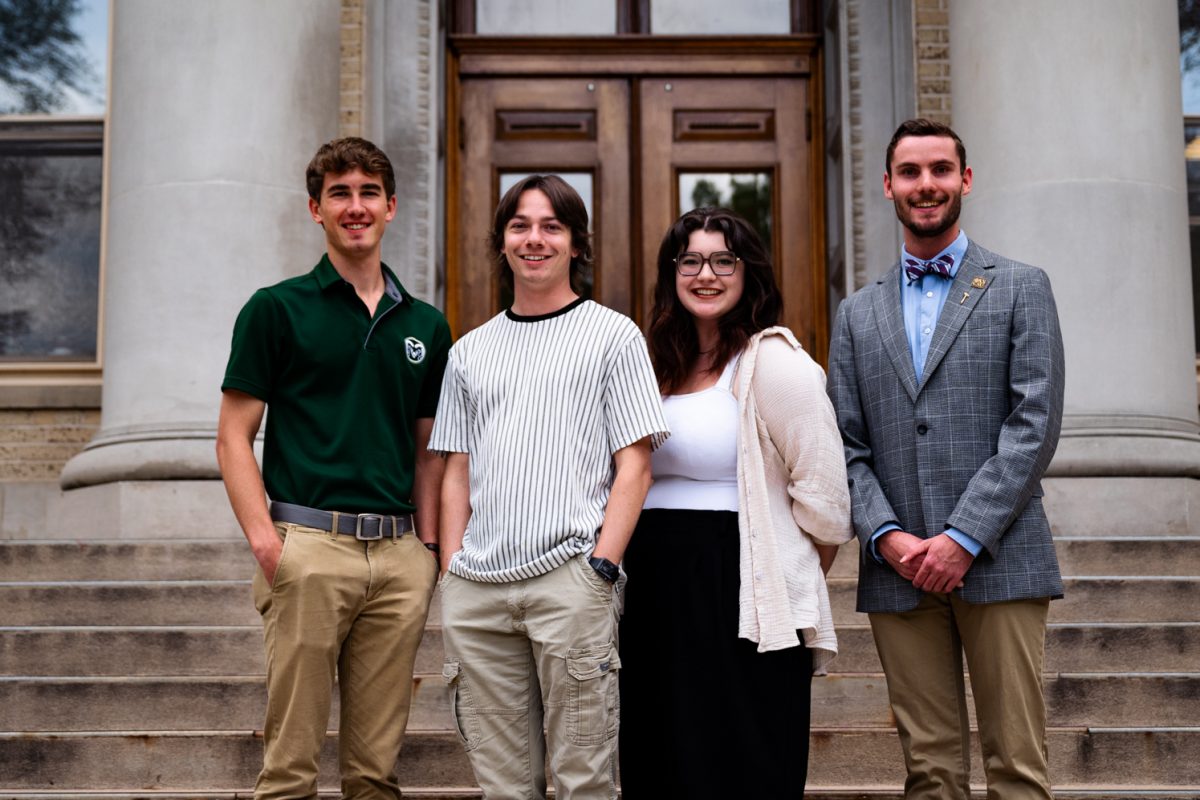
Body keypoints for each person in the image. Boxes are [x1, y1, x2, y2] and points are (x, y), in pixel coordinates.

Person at [826, 118, 1066, 799]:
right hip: (898, 569)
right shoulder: (856, 314)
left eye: (939, 170)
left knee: (1016, 765)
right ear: (887, 186)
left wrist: (962, 538)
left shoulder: (1022, 286)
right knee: (929, 772)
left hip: (1000, 556)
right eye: (910, 172)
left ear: (964, 179)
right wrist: (888, 536)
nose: (925, 185)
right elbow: (845, 442)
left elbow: (1034, 423)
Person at [216, 137, 451, 800]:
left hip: (399, 556)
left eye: (369, 192)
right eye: (340, 193)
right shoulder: (277, 308)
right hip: (309, 547)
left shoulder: (427, 327)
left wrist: (427, 551)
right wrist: (268, 541)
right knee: (290, 770)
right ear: (316, 209)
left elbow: (429, 450)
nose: (356, 206)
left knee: (375, 776)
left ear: (392, 206)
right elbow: (234, 438)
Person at [428, 174, 669, 799]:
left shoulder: (613, 336)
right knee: (505, 788)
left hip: (571, 581)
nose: (535, 239)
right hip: (478, 593)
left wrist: (602, 569)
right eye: (520, 226)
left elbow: (635, 464)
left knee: (583, 780)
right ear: (502, 242)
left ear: (576, 245)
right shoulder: (469, 351)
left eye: (551, 227)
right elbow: (456, 465)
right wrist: (452, 568)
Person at [617, 206, 852, 797]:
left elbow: (826, 498)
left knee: (740, 754)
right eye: (690, 260)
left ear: (750, 274)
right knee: (660, 747)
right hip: (653, 585)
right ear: (672, 273)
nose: (706, 274)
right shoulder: (656, 363)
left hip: (740, 586)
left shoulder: (774, 363)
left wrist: (789, 573)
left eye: (724, 260)